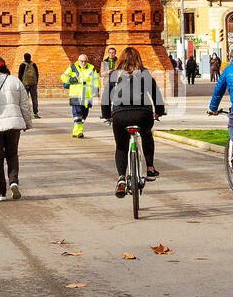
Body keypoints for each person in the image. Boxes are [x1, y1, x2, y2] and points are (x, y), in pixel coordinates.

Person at [101, 46, 165, 197]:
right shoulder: (144, 73)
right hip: (143, 114)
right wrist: (159, 112)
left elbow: (105, 98)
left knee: (121, 147)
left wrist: (106, 115)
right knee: (147, 135)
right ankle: (150, 167)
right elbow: (156, 94)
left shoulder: (114, 74)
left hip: (120, 115)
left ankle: (121, 179)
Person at [0, 56, 34, 201]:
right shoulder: (14, 81)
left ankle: (0, 192)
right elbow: (25, 104)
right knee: (12, 154)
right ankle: (13, 182)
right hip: (14, 124)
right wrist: (27, 123)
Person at [59, 53, 100, 139]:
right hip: (76, 94)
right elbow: (63, 77)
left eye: (85, 61)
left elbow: (96, 80)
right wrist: (72, 79)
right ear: (78, 60)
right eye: (82, 61)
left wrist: (96, 91)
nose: (83, 63)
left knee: (84, 114)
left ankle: (75, 131)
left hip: (87, 95)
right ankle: (79, 132)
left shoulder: (92, 69)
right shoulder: (73, 68)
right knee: (78, 114)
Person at [18, 53, 41, 119]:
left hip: (25, 84)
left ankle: (26, 113)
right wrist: (36, 82)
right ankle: (35, 113)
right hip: (33, 84)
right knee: (34, 99)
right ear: (30, 57)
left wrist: (21, 83)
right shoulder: (34, 64)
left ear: (24, 57)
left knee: (25, 99)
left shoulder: (22, 65)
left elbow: (20, 75)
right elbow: (37, 74)